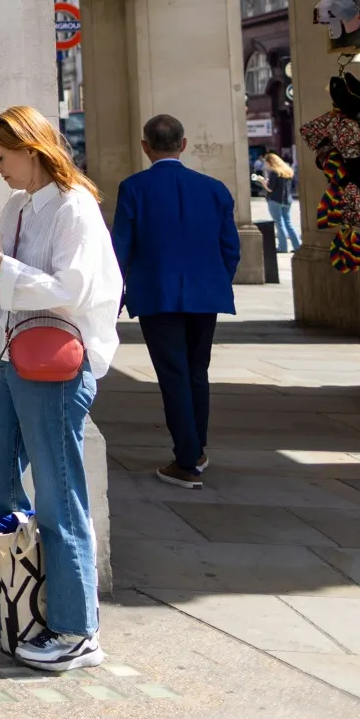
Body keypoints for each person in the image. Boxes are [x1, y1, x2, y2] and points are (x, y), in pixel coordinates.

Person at [0, 106, 122, 673]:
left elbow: (73, 291)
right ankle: (20, 608)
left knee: (58, 492)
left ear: (32, 148)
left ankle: (77, 630)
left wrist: (4, 265)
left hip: (54, 364)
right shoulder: (18, 205)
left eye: (1, 157)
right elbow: (11, 280)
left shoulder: (74, 208)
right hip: (5, 357)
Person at [111, 114, 240, 489]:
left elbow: (120, 248)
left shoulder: (134, 188)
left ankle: (186, 461)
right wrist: (214, 282)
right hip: (204, 294)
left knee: (173, 375)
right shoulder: (215, 189)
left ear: (145, 146)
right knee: (198, 371)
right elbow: (230, 248)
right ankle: (197, 447)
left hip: (157, 294)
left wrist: (115, 293)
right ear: (184, 144)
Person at [262, 150, 301, 253]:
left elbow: (270, 188)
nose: (266, 164)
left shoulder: (274, 172)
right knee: (288, 223)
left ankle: (283, 247)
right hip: (287, 200)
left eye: (266, 162)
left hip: (275, 200)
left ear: (271, 162)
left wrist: (263, 182)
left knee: (279, 224)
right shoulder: (287, 171)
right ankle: (297, 246)